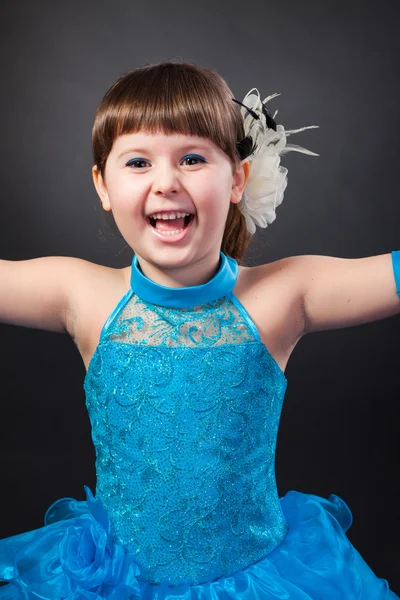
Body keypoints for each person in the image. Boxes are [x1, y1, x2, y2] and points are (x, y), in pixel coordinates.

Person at [0, 60, 399, 599]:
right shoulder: (82, 295)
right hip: (110, 580)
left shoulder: (283, 296)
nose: (166, 182)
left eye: (192, 158)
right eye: (138, 162)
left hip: (258, 578)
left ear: (237, 177)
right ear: (103, 185)